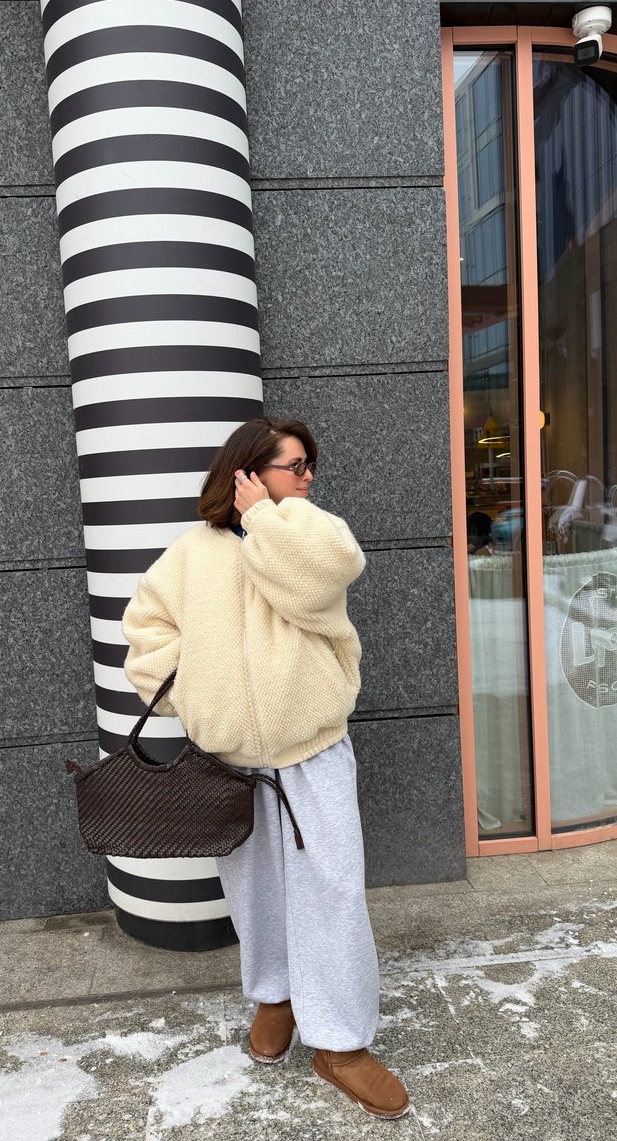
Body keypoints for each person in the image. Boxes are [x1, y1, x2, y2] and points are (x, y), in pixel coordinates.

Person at [121, 416, 409, 1119]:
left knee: (332, 894)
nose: (307, 474)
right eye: (292, 464)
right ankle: (274, 998)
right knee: (255, 896)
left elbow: (322, 580)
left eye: (310, 463)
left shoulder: (314, 533)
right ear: (246, 471)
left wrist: (268, 521)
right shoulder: (193, 554)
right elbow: (145, 628)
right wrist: (193, 692)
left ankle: (340, 1043)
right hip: (234, 767)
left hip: (313, 754)